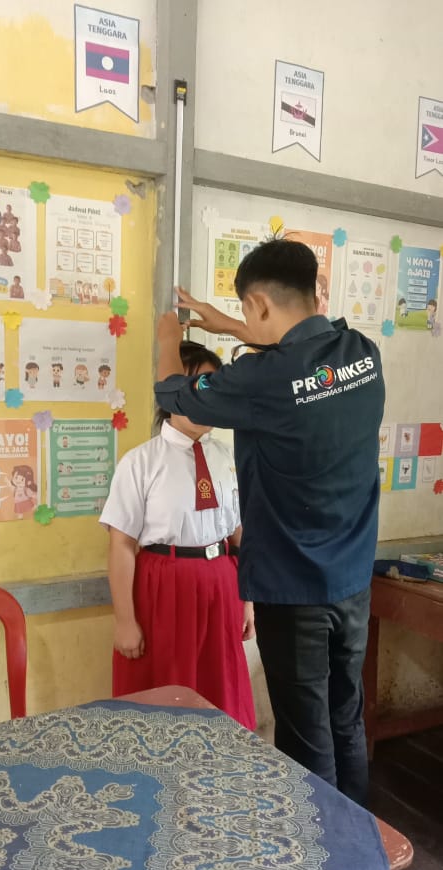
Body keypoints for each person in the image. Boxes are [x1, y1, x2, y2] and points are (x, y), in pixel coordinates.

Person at [154, 239, 385, 806]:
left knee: (306, 737)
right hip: (353, 581)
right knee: (346, 717)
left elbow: (175, 395)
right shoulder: (363, 353)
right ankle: (361, 835)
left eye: (247, 311)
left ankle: (322, 853)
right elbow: (300, 363)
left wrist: (166, 341)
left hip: (293, 588)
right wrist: (233, 326)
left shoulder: (261, 379)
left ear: (258, 303)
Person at [100, 340, 256, 730]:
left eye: (215, 387)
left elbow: (238, 532)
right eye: (199, 387)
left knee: (220, 688)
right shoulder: (140, 462)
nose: (209, 398)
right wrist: (124, 620)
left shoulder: (227, 456)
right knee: (165, 692)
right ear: (171, 393)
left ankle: (218, 762)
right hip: (163, 587)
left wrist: (247, 601)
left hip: (222, 586)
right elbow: (121, 545)